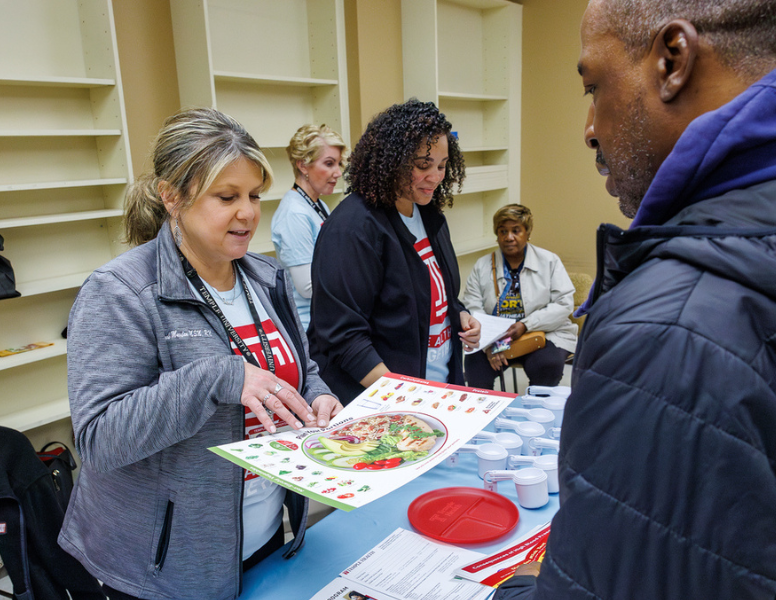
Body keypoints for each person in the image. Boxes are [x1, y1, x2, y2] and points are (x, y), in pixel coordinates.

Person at [496, 1, 776, 599]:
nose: (589, 128)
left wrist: (520, 588)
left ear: (672, 60)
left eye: (594, 87)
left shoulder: (671, 329)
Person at [60, 108, 342, 600]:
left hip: (260, 536)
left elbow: (301, 368)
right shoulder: (121, 292)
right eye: (227, 197)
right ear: (172, 196)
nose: (248, 213)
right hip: (164, 567)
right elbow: (100, 440)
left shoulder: (265, 277)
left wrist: (317, 396)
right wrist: (217, 379)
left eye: (254, 195)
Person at [309, 99, 481, 402]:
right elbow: (343, 337)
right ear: (392, 160)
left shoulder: (429, 215)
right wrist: (404, 396)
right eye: (423, 165)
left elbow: (436, 293)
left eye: (442, 166)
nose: (436, 176)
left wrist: (460, 314)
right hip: (384, 399)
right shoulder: (352, 228)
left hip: (434, 389)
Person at [462, 204, 577, 389]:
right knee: (475, 366)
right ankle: (488, 406)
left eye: (516, 231)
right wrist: (489, 344)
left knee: (546, 365)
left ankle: (537, 405)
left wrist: (526, 325)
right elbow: (473, 307)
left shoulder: (549, 261)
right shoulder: (482, 266)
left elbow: (563, 304)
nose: (509, 237)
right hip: (498, 337)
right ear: (497, 234)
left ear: (527, 233)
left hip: (542, 332)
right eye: (503, 231)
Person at [271, 123, 348, 329]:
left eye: (339, 164)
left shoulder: (317, 204)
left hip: (326, 318)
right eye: (329, 163)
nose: (338, 173)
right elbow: (306, 287)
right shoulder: (294, 213)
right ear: (303, 166)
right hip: (311, 328)